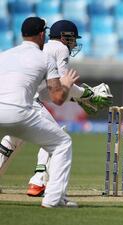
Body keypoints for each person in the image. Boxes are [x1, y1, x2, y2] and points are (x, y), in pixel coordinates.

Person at [0, 19, 113, 197]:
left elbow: (48, 93)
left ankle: (37, 181)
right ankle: (38, 182)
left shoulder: (42, 49)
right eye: (73, 39)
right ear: (64, 37)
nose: (74, 43)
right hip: (28, 102)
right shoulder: (59, 48)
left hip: (19, 101)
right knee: (56, 137)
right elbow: (60, 83)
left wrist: (78, 99)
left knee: (13, 139)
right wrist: (88, 95)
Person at [0, 17, 79, 207]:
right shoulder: (46, 57)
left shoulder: (5, 54)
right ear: (42, 34)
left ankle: (39, 181)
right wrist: (67, 85)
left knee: (10, 140)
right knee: (62, 142)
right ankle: (53, 199)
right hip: (20, 112)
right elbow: (58, 98)